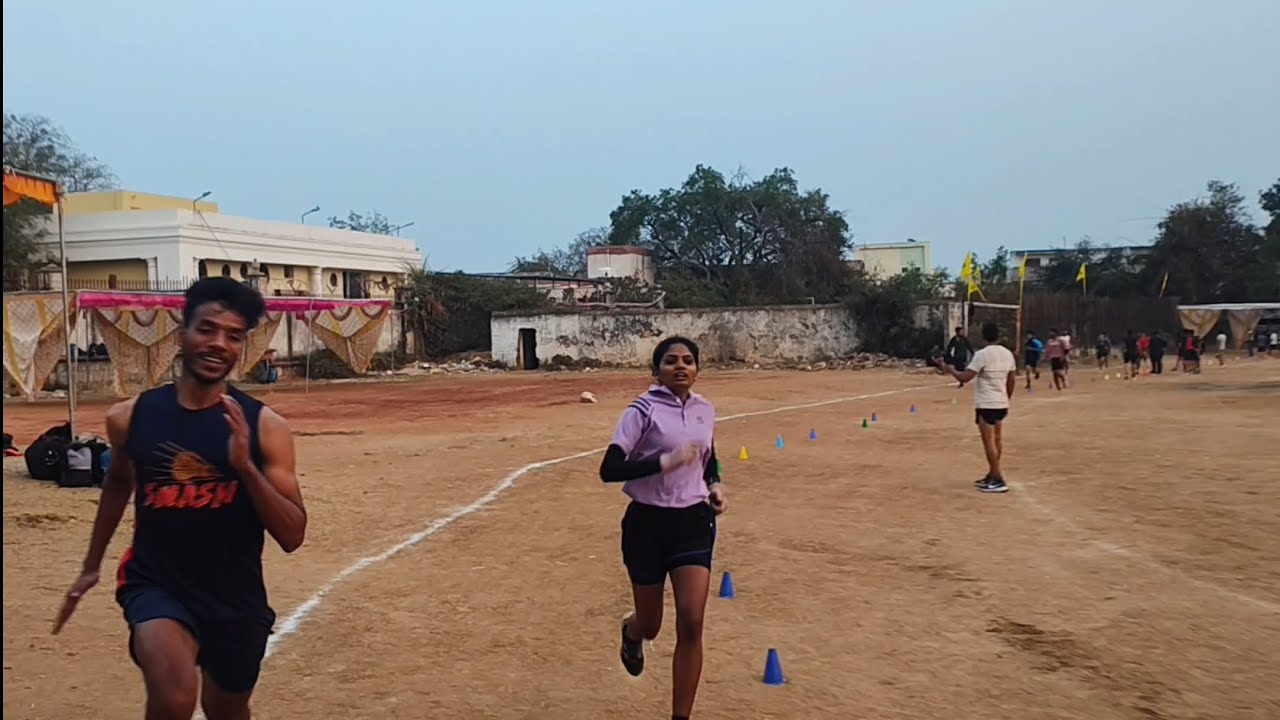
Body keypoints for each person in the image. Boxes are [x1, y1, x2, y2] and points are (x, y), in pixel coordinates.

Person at [53, 277, 307, 720]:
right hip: (156, 585)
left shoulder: (266, 427)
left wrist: (245, 466)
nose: (218, 344)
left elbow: (292, 535)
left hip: (235, 599)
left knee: (227, 708)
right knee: (174, 697)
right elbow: (117, 484)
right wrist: (91, 566)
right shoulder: (130, 417)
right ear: (182, 329)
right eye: (206, 329)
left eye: (233, 336)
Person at [599, 336, 726, 720]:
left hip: (692, 522)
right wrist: (663, 462)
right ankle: (632, 633)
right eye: (671, 361)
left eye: (689, 360)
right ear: (657, 371)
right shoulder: (641, 411)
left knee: (692, 619)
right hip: (647, 525)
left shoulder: (705, 410)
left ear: (698, 368)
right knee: (651, 624)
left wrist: (715, 484)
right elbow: (610, 469)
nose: (681, 366)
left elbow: (708, 457)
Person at [935, 322, 1018, 493]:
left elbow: (965, 377)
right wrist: (1006, 398)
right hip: (1001, 402)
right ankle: (991, 473)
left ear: (983, 336)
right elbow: (1011, 380)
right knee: (997, 440)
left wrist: (950, 369)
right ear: (999, 336)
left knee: (989, 442)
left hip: (987, 403)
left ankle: (998, 478)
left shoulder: (982, 355)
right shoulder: (1007, 354)